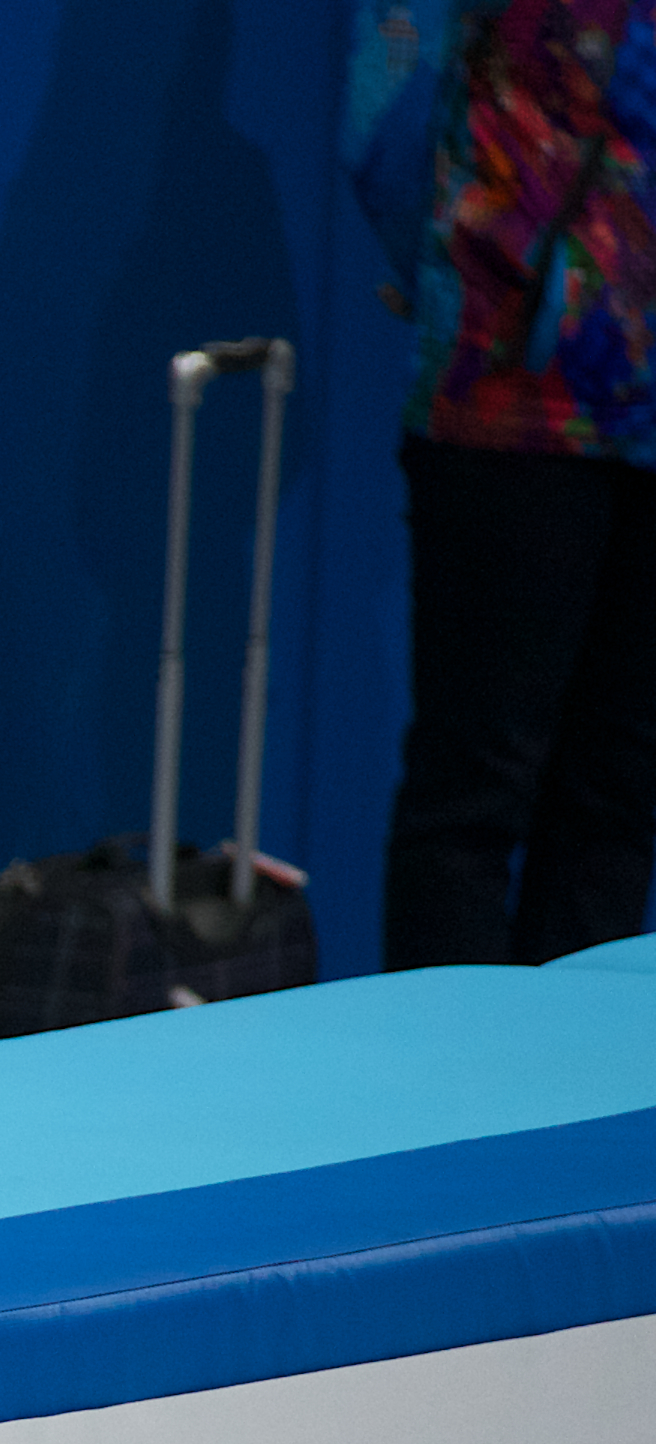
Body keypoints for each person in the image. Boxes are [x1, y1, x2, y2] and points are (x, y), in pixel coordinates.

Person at [350, 0, 656, 969]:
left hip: (643, 415)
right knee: (477, 793)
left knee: (619, 793)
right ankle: (446, 1100)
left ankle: (577, 1104)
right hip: (506, 402)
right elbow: (383, 128)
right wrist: (489, 274)